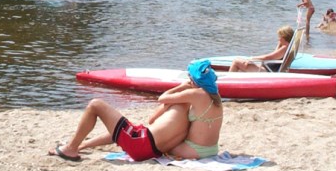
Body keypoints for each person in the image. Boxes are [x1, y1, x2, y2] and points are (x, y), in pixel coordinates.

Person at [49, 59, 223, 161]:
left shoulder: (188, 97)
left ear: (192, 81)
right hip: (151, 148)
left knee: (96, 104)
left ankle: (71, 148)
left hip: (142, 144)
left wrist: (179, 88)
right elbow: (152, 122)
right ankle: (81, 144)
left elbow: (155, 114)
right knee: (124, 130)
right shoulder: (194, 106)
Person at [229, 25, 295, 72]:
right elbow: (274, 54)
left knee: (236, 61)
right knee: (241, 64)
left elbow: (268, 57)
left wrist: (251, 58)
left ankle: (228, 83)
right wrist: (279, 43)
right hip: (267, 69)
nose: (278, 39)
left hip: (266, 71)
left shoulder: (284, 48)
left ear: (283, 37)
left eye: (279, 37)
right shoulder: (287, 47)